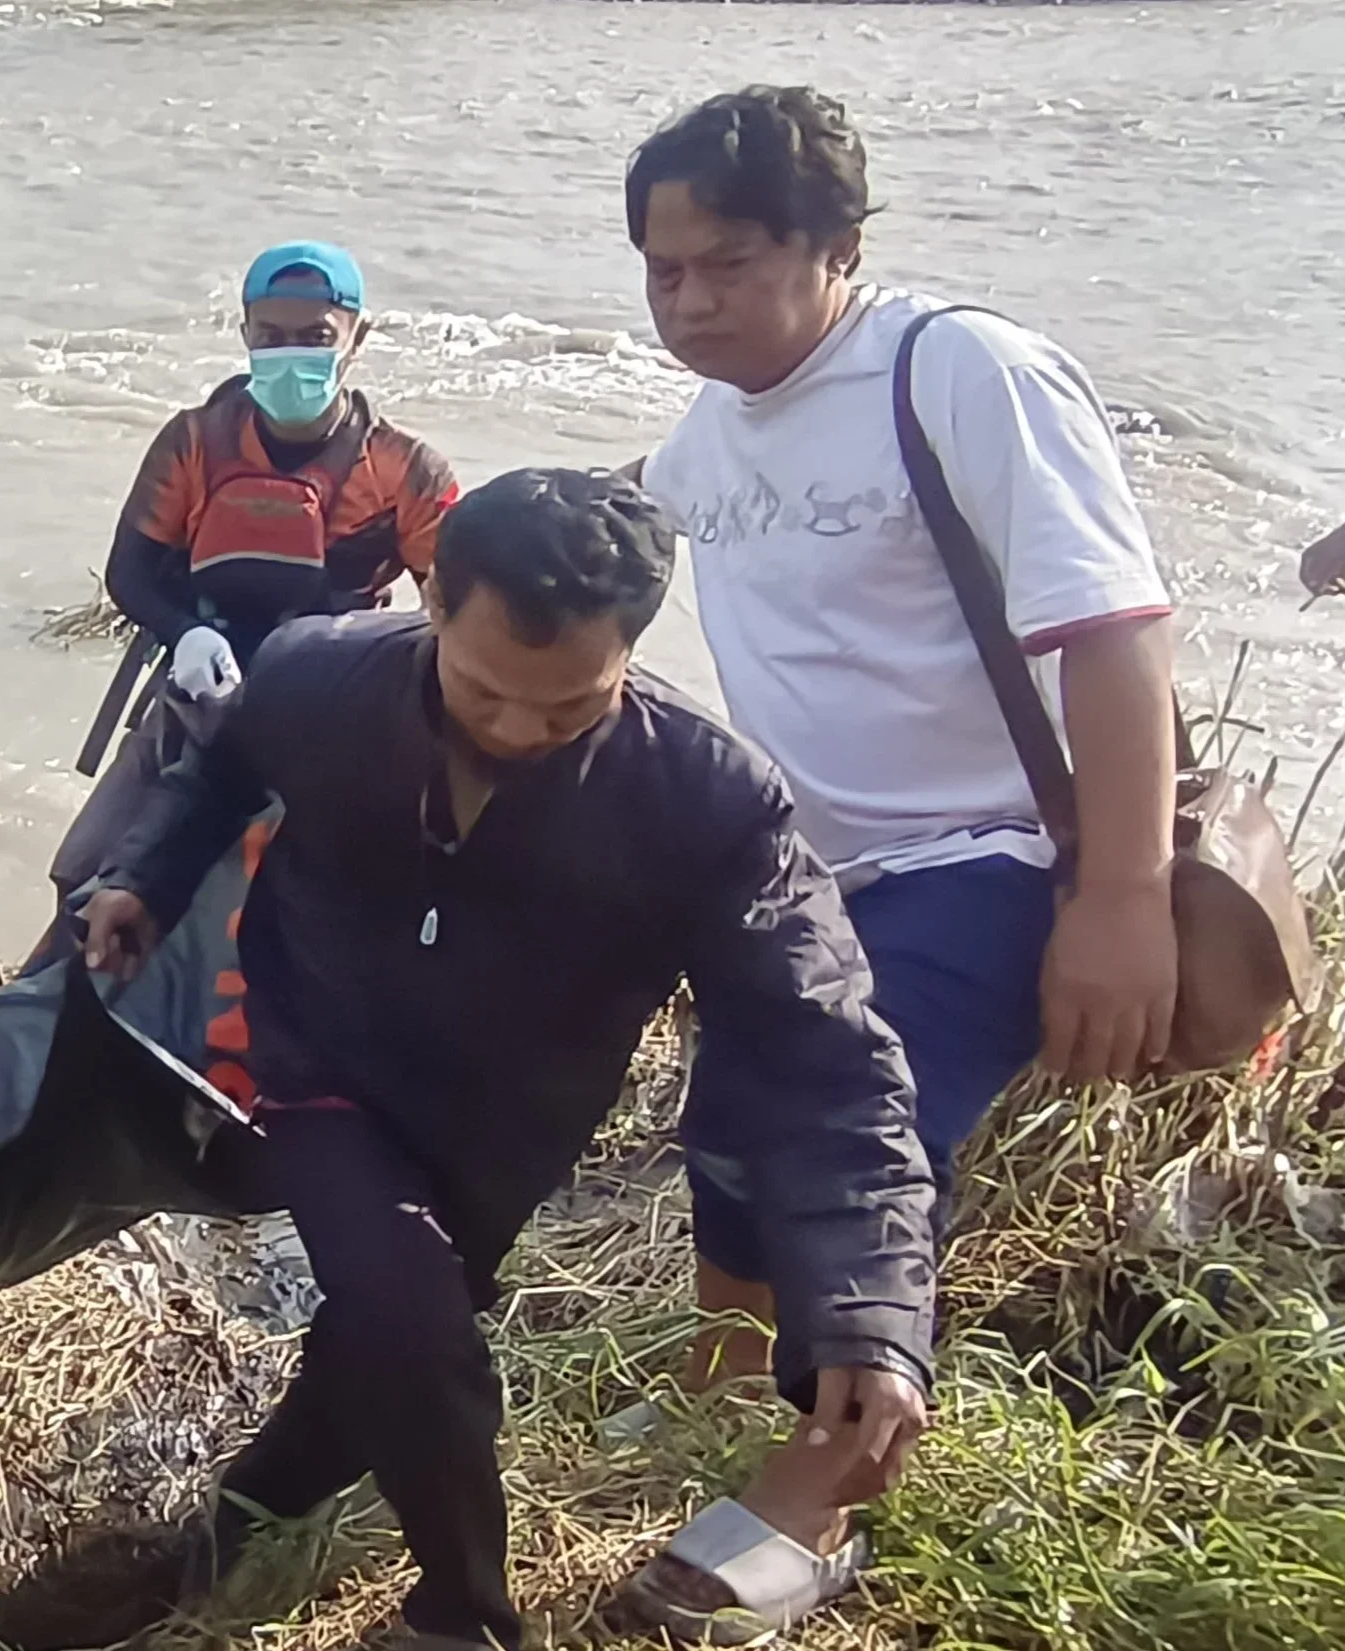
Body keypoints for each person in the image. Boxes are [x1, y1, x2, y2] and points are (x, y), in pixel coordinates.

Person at [77, 468, 939, 1651]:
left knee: (386, 1332)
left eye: (569, 706)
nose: (519, 727)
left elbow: (826, 1058)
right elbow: (221, 770)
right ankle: (465, 1618)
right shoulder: (316, 673)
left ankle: (233, 1523)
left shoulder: (708, 803)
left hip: (513, 1116)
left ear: (630, 651)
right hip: (320, 1057)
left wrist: (870, 1311)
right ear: (432, 604)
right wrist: (146, 875)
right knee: (401, 1304)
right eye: (484, 689)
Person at [619, 87, 1181, 1632]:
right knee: (725, 1135)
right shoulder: (697, 442)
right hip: (803, 873)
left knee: (861, 1150)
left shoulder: (958, 371)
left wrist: (1121, 897)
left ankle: (829, 1484)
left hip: (986, 852)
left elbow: (1114, 629)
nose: (688, 302)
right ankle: (717, 1376)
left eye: (725, 264)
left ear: (837, 246)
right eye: (662, 272)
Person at [47, 240, 459, 908]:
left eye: (315, 336)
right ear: (244, 334)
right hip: (201, 687)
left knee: (324, 904)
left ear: (358, 337)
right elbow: (131, 569)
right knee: (90, 873)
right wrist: (183, 634)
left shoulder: (407, 469)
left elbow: (456, 611)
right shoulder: (194, 441)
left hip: (339, 704)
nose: (290, 352)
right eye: (270, 335)